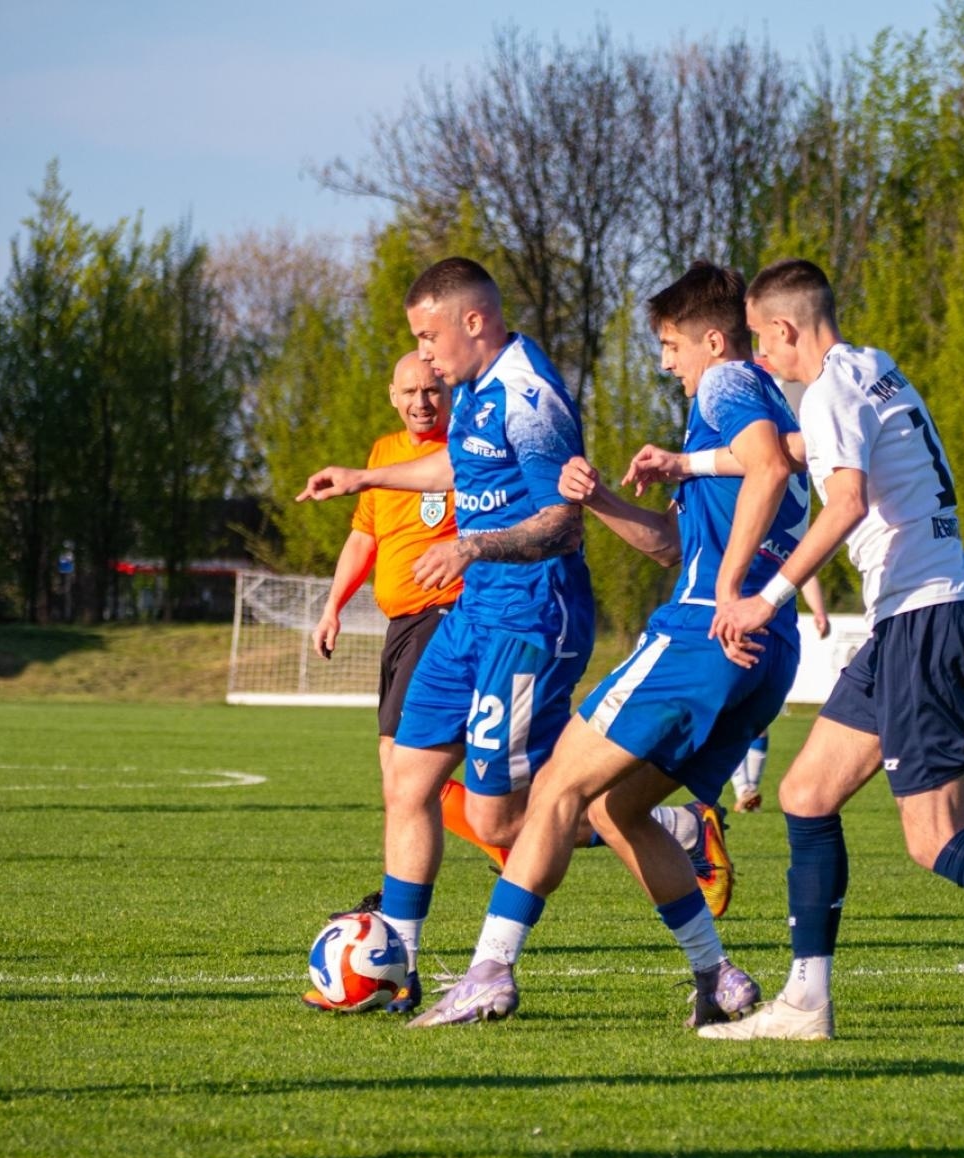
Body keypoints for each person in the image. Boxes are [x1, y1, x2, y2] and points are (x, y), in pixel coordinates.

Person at [633, 258, 964, 1051]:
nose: (758, 359)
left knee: (934, 837)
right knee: (806, 794)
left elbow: (841, 503)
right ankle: (807, 1001)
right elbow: (794, 450)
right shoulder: (871, 369)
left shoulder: (835, 386)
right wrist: (688, 462)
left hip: (925, 615)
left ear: (782, 330)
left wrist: (762, 598)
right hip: (906, 619)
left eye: (761, 343)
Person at [301, 259, 734, 1011]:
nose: (425, 356)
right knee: (409, 780)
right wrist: (366, 478)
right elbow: (459, 469)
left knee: (499, 816)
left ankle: (655, 819)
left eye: (429, 336)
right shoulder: (473, 388)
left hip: (533, 618)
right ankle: (396, 964)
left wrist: (472, 546)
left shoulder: (530, 397)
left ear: (475, 321)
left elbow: (562, 524)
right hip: (474, 613)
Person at [408, 261, 805, 1029]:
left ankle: (490, 970)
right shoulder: (729, 417)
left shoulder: (728, 385)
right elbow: (672, 546)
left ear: (713, 340)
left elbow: (769, 467)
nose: (666, 363)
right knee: (621, 811)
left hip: (704, 632)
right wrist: (606, 501)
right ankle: (716, 976)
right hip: (764, 649)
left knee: (557, 786)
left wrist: (727, 593)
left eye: (669, 346)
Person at [301, 351, 489, 946]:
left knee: (405, 778)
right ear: (392, 394)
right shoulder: (383, 454)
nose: (421, 401)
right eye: (410, 391)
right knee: (401, 774)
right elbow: (365, 536)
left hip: (447, 618)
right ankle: (507, 840)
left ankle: (396, 913)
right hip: (400, 625)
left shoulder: (469, 449)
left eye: (431, 390)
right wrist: (333, 606)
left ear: (448, 391)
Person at [729, 577, 829, 814]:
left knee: (758, 720)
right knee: (729, 716)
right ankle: (744, 790)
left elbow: (809, 571)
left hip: (775, 638)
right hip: (737, 629)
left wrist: (819, 611)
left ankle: (748, 791)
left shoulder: (787, 541)